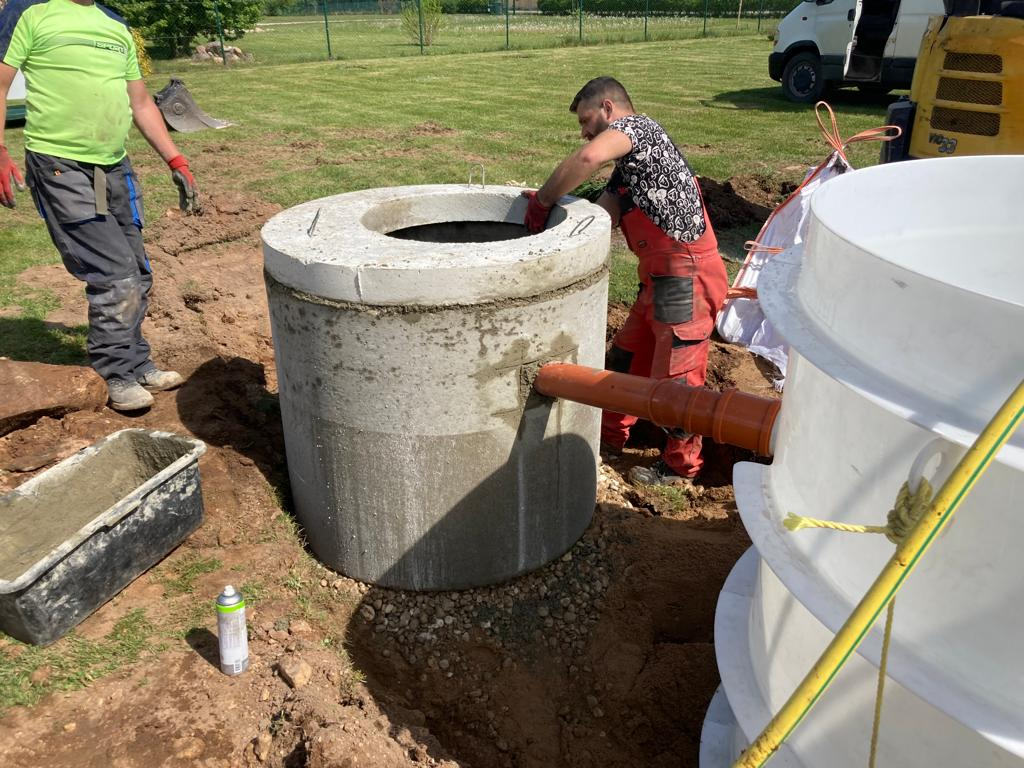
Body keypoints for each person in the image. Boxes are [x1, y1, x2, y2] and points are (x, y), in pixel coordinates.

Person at [523, 76, 727, 486]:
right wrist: (546, 244)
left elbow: (587, 159)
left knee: (677, 379)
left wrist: (542, 200)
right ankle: (610, 438)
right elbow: (599, 219)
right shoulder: (630, 173)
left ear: (609, 109)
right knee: (625, 361)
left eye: (586, 119)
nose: (583, 131)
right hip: (658, 280)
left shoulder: (640, 130)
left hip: (682, 278)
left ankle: (678, 469)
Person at [0, 0, 200, 412]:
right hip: (60, 165)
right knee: (114, 274)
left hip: (113, 165)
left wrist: (175, 159)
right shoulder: (28, 10)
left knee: (137, 270)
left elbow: (140, 102)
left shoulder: (114, 22)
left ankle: (136, 361)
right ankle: (115, 372)